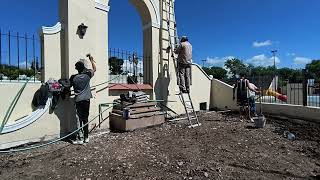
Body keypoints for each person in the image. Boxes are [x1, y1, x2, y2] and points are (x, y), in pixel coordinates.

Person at [70, 54, 96, 145]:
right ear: (83, 68)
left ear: (76, 69)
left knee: (79, 119)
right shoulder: (87, 75)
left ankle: (80, 138)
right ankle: (86, 137)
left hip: (78, 101)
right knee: (85, 119)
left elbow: (67, 87)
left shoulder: (73, 78)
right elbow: (94, 69)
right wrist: (91, 60)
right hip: (86, 100)